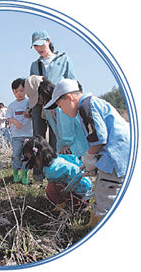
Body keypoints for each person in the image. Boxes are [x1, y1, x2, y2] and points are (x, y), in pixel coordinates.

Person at [45, 78, 130, 227]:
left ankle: (101, 225)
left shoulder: (86, 106)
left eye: (60, 106)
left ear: (70, 98)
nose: (62, 111)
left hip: (117, 157)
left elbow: (98, 138)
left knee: (106, 192)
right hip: (118, 155)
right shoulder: (90, 105)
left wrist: (89, 159)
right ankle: (94, 222)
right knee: (101, 189)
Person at [29, 30, 76, 154]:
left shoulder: (64, 59)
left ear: (48, 41)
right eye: (35, 46)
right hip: (39, 104)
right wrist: (29, 107)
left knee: (57, 136)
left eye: (41, 44)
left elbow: (71, 82)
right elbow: (31, 87)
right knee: (38, 138)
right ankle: (39, 172)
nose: (39, 48)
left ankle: (56, 168)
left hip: (58, 103)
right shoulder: (34, 65)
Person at [22, 135, 92, 210]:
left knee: (51, 189)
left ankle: (65, 206)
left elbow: (75, 174)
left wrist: (70, 190)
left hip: (81, 195)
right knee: (53, 187)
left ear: (38, 156)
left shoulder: (52, 170)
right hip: (86, 189)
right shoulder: (56, 158)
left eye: (30, 158)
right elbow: (74, 160)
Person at [7, 78, 33, 184]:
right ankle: (16, 171)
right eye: (16, 91)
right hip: (16, 135)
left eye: (21, 91)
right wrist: (15, 122)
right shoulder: (12, 105)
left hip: (28, 134)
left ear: (26, 90)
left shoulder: (29, 102)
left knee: (27, 155)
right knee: (16, 154)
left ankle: (25, 174)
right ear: (13, 92)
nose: (19, 93)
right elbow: (8, 117)